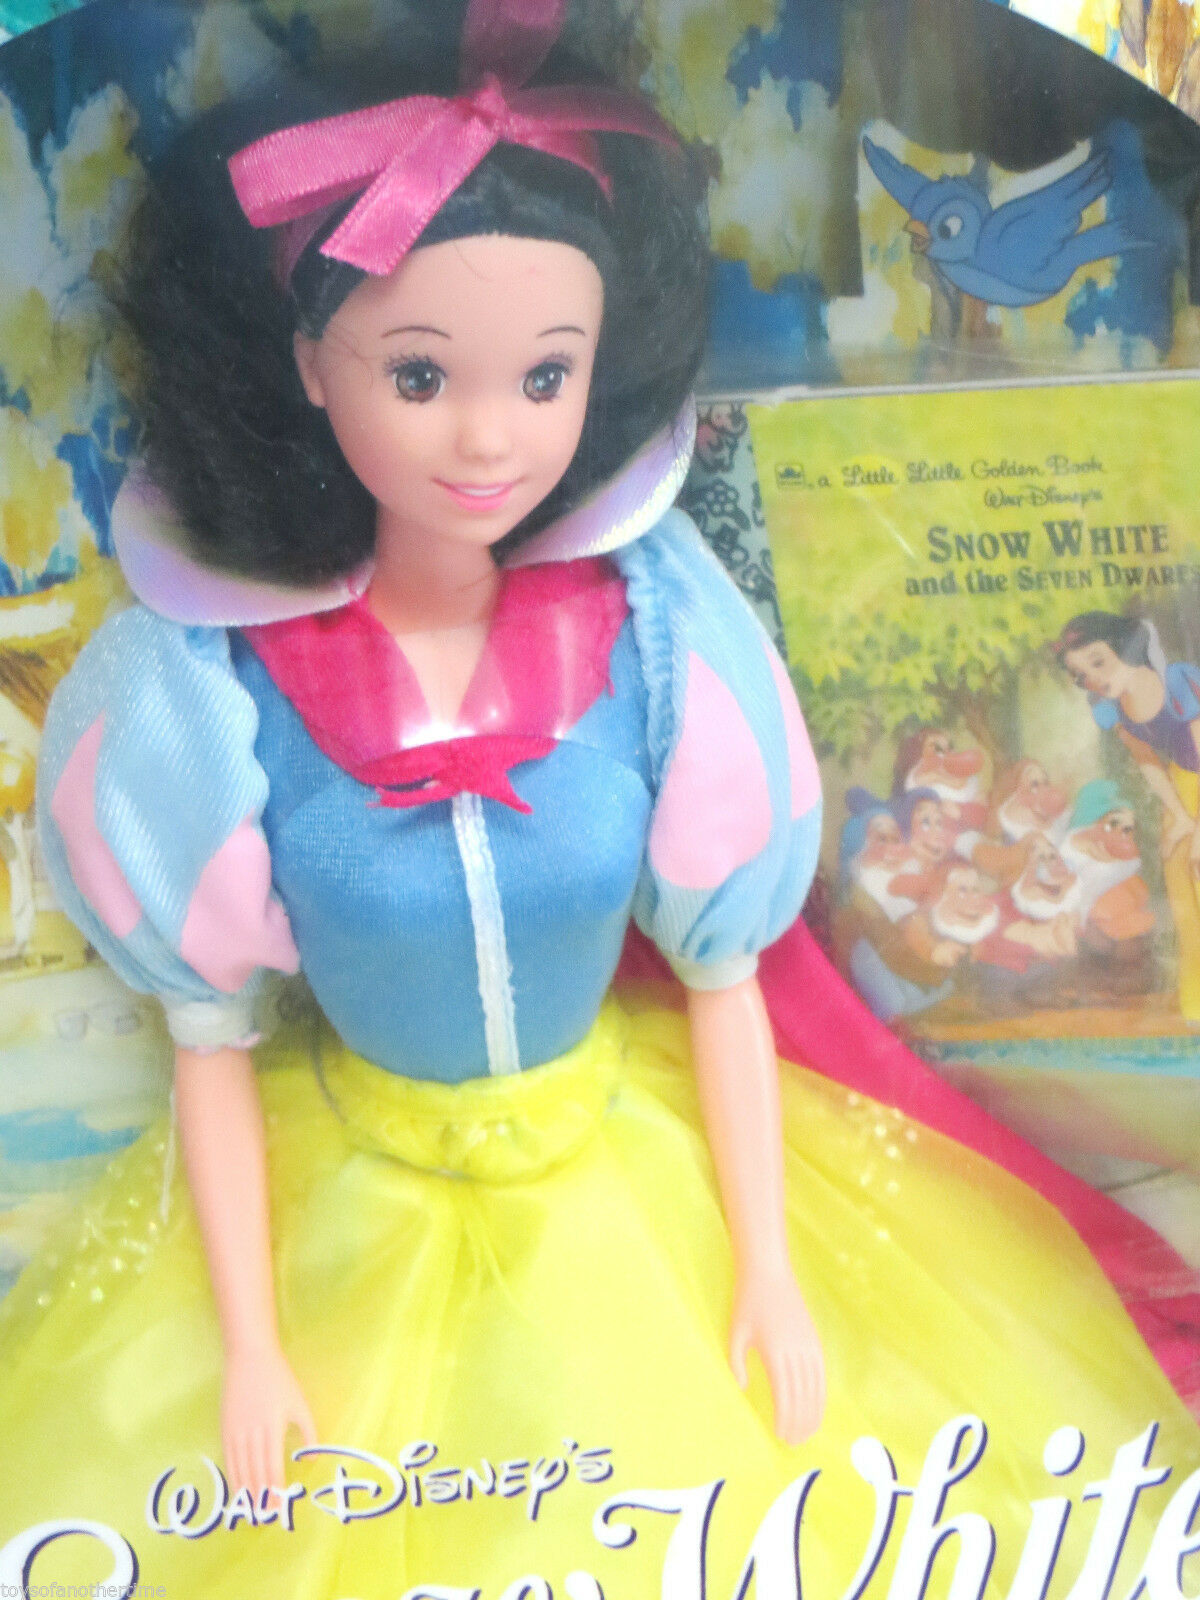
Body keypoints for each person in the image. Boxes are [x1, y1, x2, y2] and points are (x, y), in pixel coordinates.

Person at [3, 8, 1199, 1595]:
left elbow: (726, 986)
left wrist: (768, 1270)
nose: (488, 436)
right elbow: (206, 1046)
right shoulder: (226, 696)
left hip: (631, 1177)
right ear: (305, 365)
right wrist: (253, 1350)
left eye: (544, 374)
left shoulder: (646, 641)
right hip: (347, 1188)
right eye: (418, 373)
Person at [1056, 609, 1200, 1017]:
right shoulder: (1111, 707)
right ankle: (1197, 1002)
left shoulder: (1179, 682)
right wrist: (1181, 818)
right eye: (1081, 674)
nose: (1093, 678)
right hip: (1183, 783)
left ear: (1127, 648)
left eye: (1098, 661)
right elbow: (1147, 760)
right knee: (1181, 889)